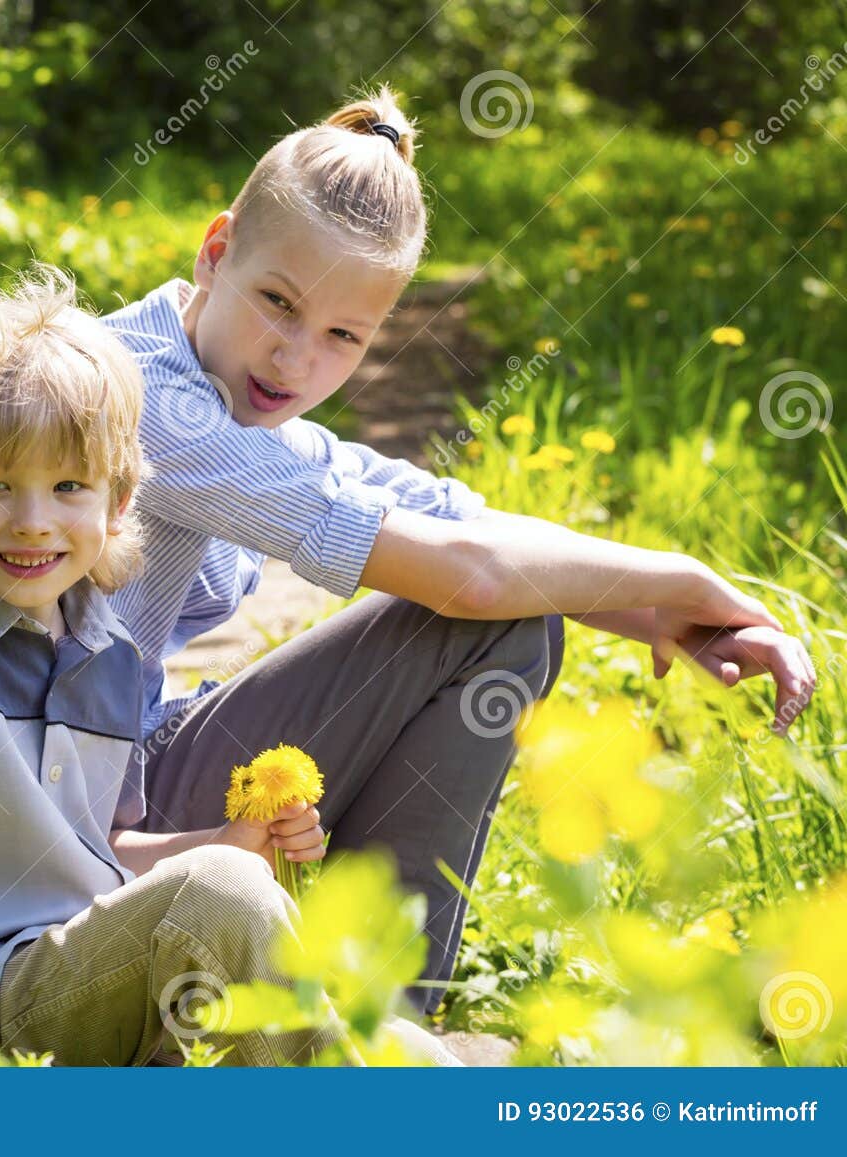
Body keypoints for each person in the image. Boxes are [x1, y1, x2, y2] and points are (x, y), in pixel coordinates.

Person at [99, 87, 818, 1015]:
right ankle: (378, 1021)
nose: (293, 359)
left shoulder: (231, 389)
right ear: (216, 248)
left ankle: (362, 998)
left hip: (121, 766)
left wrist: (662, 615)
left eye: (341, 337)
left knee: (516, 609)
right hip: (44, 817)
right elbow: (468, 572)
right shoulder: (148, 399)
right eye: (277, 302)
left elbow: (456, 518)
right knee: (493, 619)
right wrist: (687, 579)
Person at [0, 265, 459, 1067]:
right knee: (227, 905)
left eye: (67, 486)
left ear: (118, 501)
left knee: (408, 1046)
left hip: (84, 978)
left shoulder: (108, 650)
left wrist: (228, 842)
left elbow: (100, 852)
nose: (33, 521)